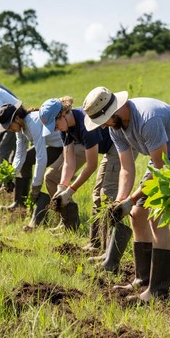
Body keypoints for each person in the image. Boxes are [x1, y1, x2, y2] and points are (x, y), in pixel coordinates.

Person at [83, 86, 170, 301]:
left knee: (157, 216)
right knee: (137, 215)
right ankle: (142, 278)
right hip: (161, 160)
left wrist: (132, 198)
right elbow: (127, 168)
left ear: (114, 110)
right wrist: (121, 201)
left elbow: (160, 167)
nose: (105, 127)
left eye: (105, 121)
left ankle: (157, 290)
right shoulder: (115, 128)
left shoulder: (148, 118)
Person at [39, 96, 131, 259]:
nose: (55, 129)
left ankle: (110, 250)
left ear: (63, 114)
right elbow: (69, 161)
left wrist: (71, 191)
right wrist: (62, 187)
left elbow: (91, 165)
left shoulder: (84, 123)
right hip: (109, 149)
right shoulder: (66, 129)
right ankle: (95, 243)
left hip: (119, 146)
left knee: (107, 194)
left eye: (55, 125)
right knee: (97, 195)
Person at [0, 103, 63, 228]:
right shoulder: (20, 128)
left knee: (48, 176)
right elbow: (20, 154)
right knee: (25, 161)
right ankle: (20, 202)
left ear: (16, 118)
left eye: (10, 126)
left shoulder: (34, 123)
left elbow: (41, 157)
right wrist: (11, 175)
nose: (10, 130)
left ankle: (43, 204)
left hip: (61, 146)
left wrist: (36, 186)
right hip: (51, 146)